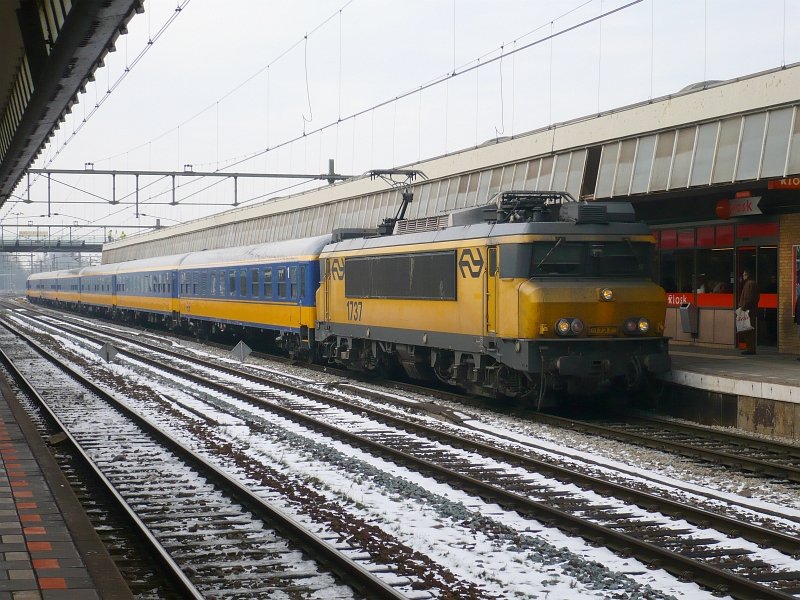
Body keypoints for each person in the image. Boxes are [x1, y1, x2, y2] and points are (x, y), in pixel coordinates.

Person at [738, 269, 760, 355]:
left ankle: (750, 349)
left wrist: (743, 308)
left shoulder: (749, 284)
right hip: (750, 310)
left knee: (748, 330)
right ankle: (750, 348)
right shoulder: (752, 283)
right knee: (748, 330)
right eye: (743, 275)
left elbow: (749, 299)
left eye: (745, 275)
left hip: (748, 311)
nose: (743, 276)